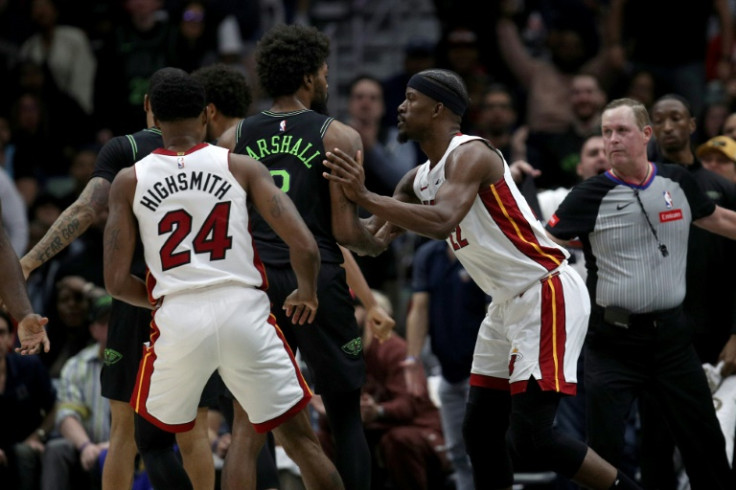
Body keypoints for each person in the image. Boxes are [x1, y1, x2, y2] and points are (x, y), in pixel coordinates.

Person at [323, 68, 640, 489]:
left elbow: (440, 221)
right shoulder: (415, 180)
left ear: (438, 108)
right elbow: (371, 243)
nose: (399, 107)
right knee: (479, 432)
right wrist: (332, 208)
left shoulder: (473, 154)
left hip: (544, 289)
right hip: (505, 303)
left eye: (410, 99)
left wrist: (365, 195)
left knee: (533, 438)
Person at [103, 69, 343, 490]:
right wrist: (306, 292)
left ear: (150, 113)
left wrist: (162, 301)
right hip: (243, 312)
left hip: (177, 319)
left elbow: (115, 281)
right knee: (301, 442)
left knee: (152, 440)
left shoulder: (128, 180)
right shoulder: (241, 166)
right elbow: (304, 245)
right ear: (206, 114)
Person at [20, 67, 215, 490]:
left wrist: (29, 262)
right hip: (197, 301)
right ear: (204, 114)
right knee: (193, 431)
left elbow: (85, 210)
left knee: (122, 430)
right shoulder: (219, 155)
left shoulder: (125, 148)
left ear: (148, 105)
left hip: (136, 294)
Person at [217, 23, 390, 490]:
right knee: (345, 417)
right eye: (326, 73)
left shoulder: (233, 139)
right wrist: (381, 237)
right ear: (311, 77)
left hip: (253, 283)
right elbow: (344, 231)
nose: (329, 82)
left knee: (251, 422)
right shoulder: (339, 136)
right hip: (317, 280)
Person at [546, 97, 736, 489]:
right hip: (613, 344)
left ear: (645, 135)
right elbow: (545, 240)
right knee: (604, 455)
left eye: (622, 131)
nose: (612, 140)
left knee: (707, 446)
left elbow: (718, 219)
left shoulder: (678, 183)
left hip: (672, 341)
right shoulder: (589, 194)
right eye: (606, 132)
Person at [403, 239, 488, 490]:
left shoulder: (480, 250)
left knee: (483, 447)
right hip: (447, 369)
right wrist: (412, 358)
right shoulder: (428, 255)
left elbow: (493, 310)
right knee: (455, 450)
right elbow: (419, 308)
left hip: (481, 369)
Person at [41, 292, 111, 490]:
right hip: (88, 446)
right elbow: (66, 415)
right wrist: (86, 446)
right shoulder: (76, 365)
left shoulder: (145, 361)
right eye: (106, 321)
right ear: (93, 329)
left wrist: (114, 447)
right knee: (56, 450)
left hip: (132, 447)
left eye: (119, 320)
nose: (114, 327)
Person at [0, 309, 56, 490]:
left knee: (23, 453)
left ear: (10, 338)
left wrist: (37, 437)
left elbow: (54, 408)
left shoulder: (29, 367)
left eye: (1, 333)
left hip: (27, 445)